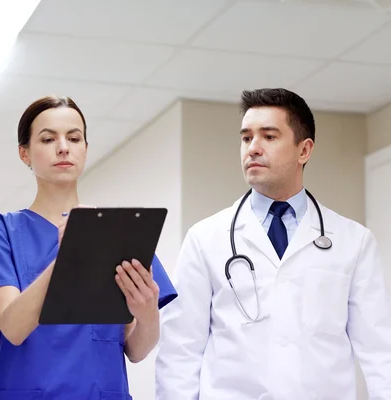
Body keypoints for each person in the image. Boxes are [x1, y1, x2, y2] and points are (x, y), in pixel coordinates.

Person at [155, 88, 391, 400]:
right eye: (246, 137)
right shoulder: (205, 238)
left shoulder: (353, 242)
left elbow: (380, 352)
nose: (252, 148)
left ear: (304, 150)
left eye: (268, 136)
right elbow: (179, 352)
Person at [0, 95, 178, 399]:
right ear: (24, 154)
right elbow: (13, 327)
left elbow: (136, 349)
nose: (63, 147)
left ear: (86, 149)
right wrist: (67, 256)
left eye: (74, 138)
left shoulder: (117, 232)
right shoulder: (4, 231)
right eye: (48, 138)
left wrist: (148, 314)